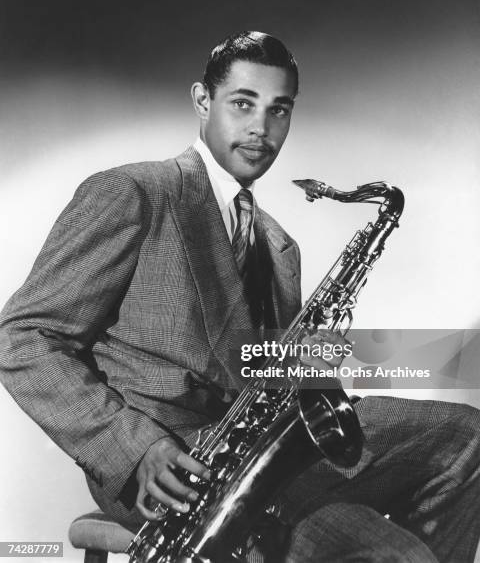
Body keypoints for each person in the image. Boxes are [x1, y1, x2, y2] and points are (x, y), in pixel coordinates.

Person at [0, 31, 479, 563]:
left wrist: (302, 361)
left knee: (467, 437)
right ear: (203, 101)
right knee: (395, 556)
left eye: (279, 110)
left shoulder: (279, 245)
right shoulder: (134, 193)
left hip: (264, 450)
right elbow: (21, 338)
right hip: (175, 466)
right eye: (243, 103)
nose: (261, 127)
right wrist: (136, 447)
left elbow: (252, 373)